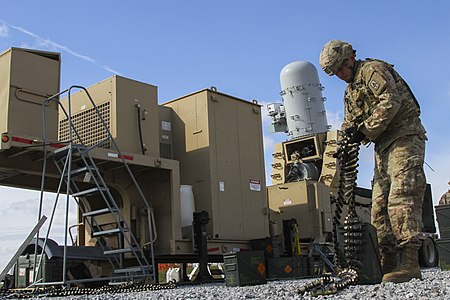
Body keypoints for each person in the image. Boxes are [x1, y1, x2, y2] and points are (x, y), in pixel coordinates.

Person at [319, 40, 427, 283]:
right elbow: (349, 123)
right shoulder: (350, 91)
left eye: (340, 69)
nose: (339, 75)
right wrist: (344, 144)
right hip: (382, 146)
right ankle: (387, 262)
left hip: (404, 137)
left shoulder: (372, 70)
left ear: (349, 59)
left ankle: (410, 263)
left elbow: (391, 101)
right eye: (334, 72)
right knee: (378, 207)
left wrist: (364, 130)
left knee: (402, 196)